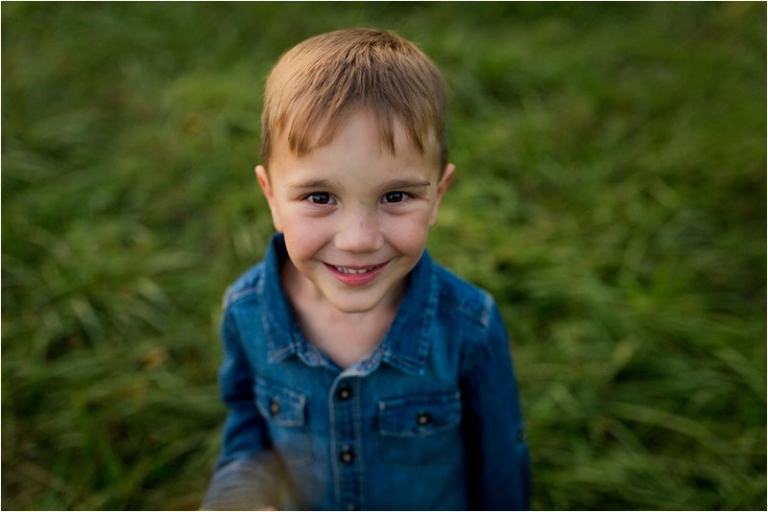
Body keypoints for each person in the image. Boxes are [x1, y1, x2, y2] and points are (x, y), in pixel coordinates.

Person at [201, 27, 530, 511]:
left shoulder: (469, 327)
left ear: (437, 196)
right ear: (271, 196)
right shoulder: (248, 312)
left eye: (395, 197)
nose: (358, 239)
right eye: (319, 197)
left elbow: (501, 465)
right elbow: (248, 428)